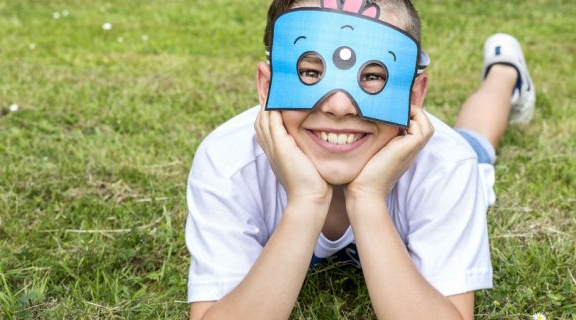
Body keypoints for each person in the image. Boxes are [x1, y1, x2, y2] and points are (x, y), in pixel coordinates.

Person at [185, 0, 536, 319]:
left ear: (414, 96)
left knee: (473, 144)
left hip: (436, 154)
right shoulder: (229, 162)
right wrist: (307, 202)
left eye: (373, 77)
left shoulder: (442, 163)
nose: (339, 106)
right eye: (310, 72)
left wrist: (367, 199)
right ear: (266, 86)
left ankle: (504, 71)